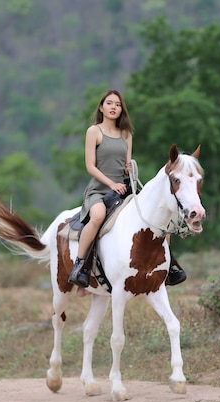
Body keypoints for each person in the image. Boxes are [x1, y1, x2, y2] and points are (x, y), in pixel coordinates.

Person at [68, 90, 187, 288]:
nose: (114, 107)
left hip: (124, 188)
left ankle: (168, 266)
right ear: (101, 107)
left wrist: (128, 168)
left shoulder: (126, 133)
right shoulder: (94, 132)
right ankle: (80, 265)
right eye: (109, 103)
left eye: (118, 104)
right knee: (97, 216)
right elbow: (90, 166)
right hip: (99, 190)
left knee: (160, 218)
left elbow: (126, 162)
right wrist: (111, 183)